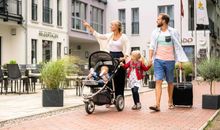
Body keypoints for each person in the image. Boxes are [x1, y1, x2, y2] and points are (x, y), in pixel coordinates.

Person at [148, 13, 188, 112]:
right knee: (158, 81)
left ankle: (170, 101)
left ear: (164, 21)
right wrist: (150, 58)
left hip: (170, 60)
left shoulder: (173, 32)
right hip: (158, 60)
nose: (156, 21)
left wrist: (180, 61)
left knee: (170, 82)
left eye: (158, 19)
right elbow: (152, 46)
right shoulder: (155, 32)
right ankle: (157, 105)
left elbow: (178, 47)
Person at [83, 20, 130, 98]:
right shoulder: (110, 35)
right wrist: (88, 26)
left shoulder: (124, 36)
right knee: (110, 77)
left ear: (118, 26)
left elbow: (128, 47)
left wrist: (125, 57)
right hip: (110, 57)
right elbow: (98, 35)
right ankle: (110, 96)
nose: (110, 26)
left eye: (112, 25)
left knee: (120, 79)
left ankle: (119, 97)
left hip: (120, 57)